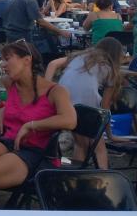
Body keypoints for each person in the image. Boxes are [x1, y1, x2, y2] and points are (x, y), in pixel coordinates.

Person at [0, 39, 77, 208]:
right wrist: (2, 111)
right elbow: (17, 107)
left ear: (27, 60)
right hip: (10, 142)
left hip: (37, 153)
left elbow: (70, 120)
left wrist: (31, 125)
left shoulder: (55, 91)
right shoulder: (10, 84)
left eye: (7, 59)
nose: (3, 65)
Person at [45, 38, 125, 169]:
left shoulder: (79, 56)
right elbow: (105, 108)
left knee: (81, 144)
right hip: (83, 108)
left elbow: (52, 64)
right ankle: (104, 180)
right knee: (99, 147)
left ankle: (69, 171)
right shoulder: (109, 69)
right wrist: (110, 135)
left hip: (61, 102)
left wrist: (47, 89)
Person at [2, 0, 67, 52]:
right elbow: (41, 21)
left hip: (11, 34)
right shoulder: (29, 0)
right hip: (23, 36)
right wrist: (60, 32)